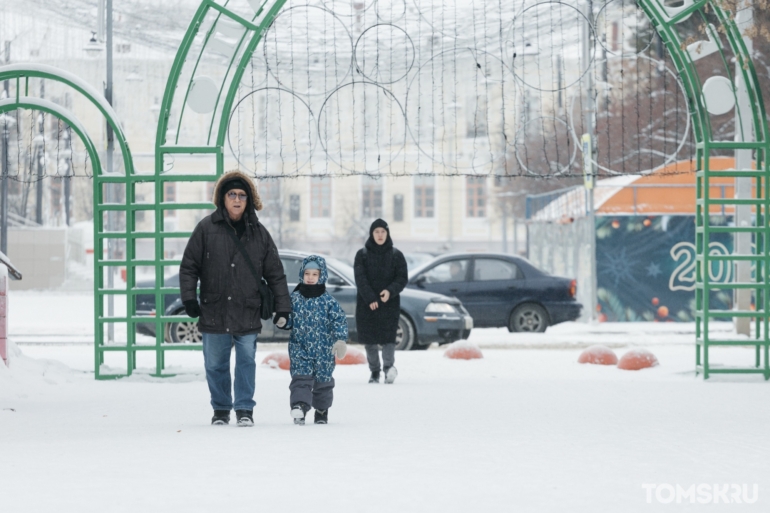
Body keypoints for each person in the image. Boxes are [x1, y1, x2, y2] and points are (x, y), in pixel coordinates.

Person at [179, 170, 291, 427]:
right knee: (215, 364)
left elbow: (275, 274)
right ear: (223, 198)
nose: (237, 199)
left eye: (242, 195)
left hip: (247, 309)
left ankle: (244, 409)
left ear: (249, 200)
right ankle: (220, 409)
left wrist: (283, 308)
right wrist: (189, 298)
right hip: (214, 309)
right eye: (232, 194)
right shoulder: (206, 228)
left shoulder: (260, 233)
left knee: (246, 363)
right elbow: (189, 266)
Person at [286, 255, 348, 425]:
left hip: (324, 350)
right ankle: (299, 406)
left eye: (315, 274)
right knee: (301, 378)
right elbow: (289, 319)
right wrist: (283, 320)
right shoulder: (295, 298)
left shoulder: (328, 301)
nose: (311, 277)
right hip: (300, 346)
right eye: (307, 274)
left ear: (322, 276)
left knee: (323, 381)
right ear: (302, 274)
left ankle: (321, 409)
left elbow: (339, 320)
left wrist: (340, 340)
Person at [353, 219, 408, 384]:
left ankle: (389, 369)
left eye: (383, 232)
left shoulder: (396, 255)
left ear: (387, 233)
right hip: (366, 304)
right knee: (369, 340)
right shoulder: (361, 255)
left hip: (389, 304)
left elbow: (402, 278)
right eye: (376, 232)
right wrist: (370, 298)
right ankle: (375, 372)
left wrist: (390, 291)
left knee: (388, 338)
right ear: (371, 234)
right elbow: (360, 278)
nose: (380, 235)